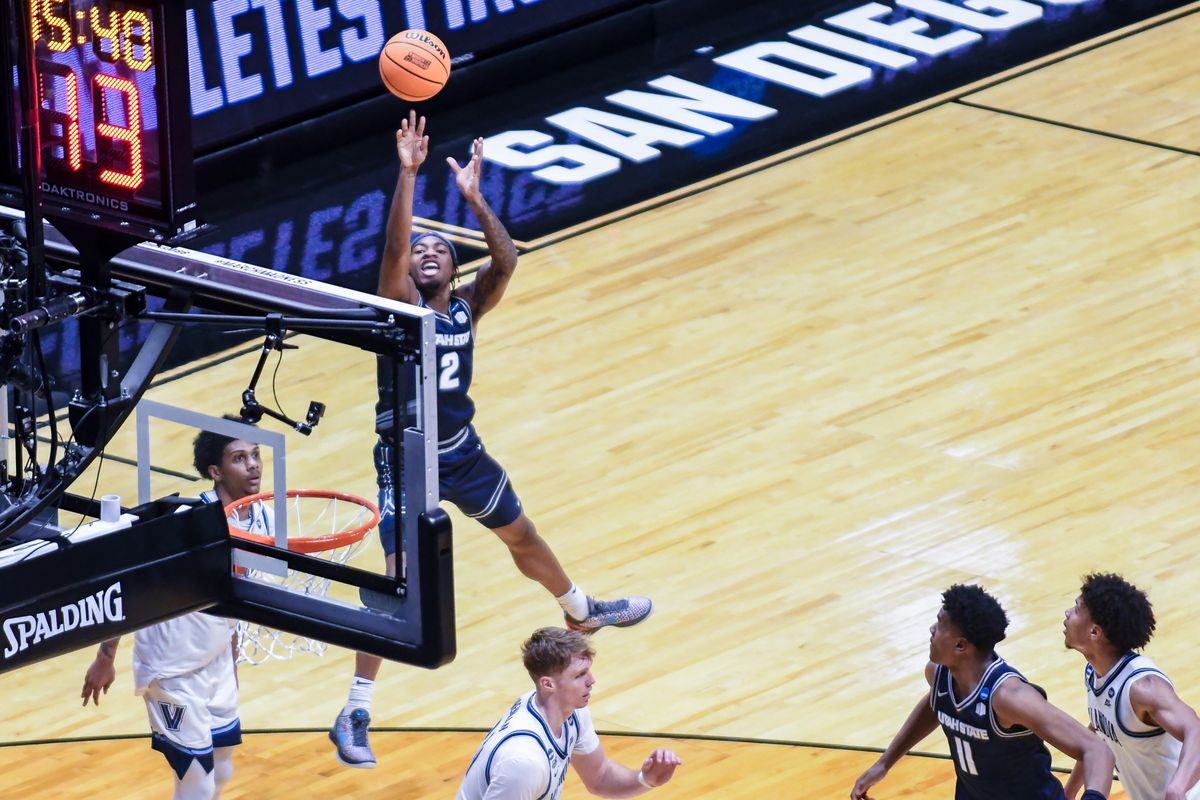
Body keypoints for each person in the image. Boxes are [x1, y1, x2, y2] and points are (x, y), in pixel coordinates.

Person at [328, 112, 653, 768]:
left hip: (461, 450)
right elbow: (392, 253)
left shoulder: (464, 307)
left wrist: (476, 200)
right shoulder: (398, 304)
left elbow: (505, 259)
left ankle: (580, 610)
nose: (425, 252)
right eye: (419, 249)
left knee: (523, 535)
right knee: (398, 582)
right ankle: (356, 707)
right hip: (407, 456)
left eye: (437, 250)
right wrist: (410, 173)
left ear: (451, 268)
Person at [81, 427, 272, 800]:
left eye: (255, 455)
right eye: (239, 458)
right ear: (215, 472)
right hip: (170, 670)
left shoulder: (262, 516)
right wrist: (106, 656)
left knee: (223, 768)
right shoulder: (186, 522)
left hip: (215, 661)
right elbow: (131, 582)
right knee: (196, 782)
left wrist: (230, 657)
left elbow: (233, 596)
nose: (252, 466)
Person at [850, 584, 1114, 800]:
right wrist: (885, 763)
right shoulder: (938, 673)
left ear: (961, 646)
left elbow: (1096, 750)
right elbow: (936, 704)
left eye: (940, 625)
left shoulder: (1009, 697)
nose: (932, 630)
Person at [456, 627, 681, 799]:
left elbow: (600, 778)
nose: (592, 681)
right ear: (548, 684)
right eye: (579, 675)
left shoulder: (570, 713)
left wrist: (645, 779)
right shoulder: (525, 762)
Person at [1062, 573, 1200, 800]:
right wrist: (1069, 791)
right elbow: (1099, 730)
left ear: (1095, 632)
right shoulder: (1095, 673)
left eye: (1077, 609)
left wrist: (1178, 788)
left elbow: (1195, 729)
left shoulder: (1143, 687)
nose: (1068, 613)